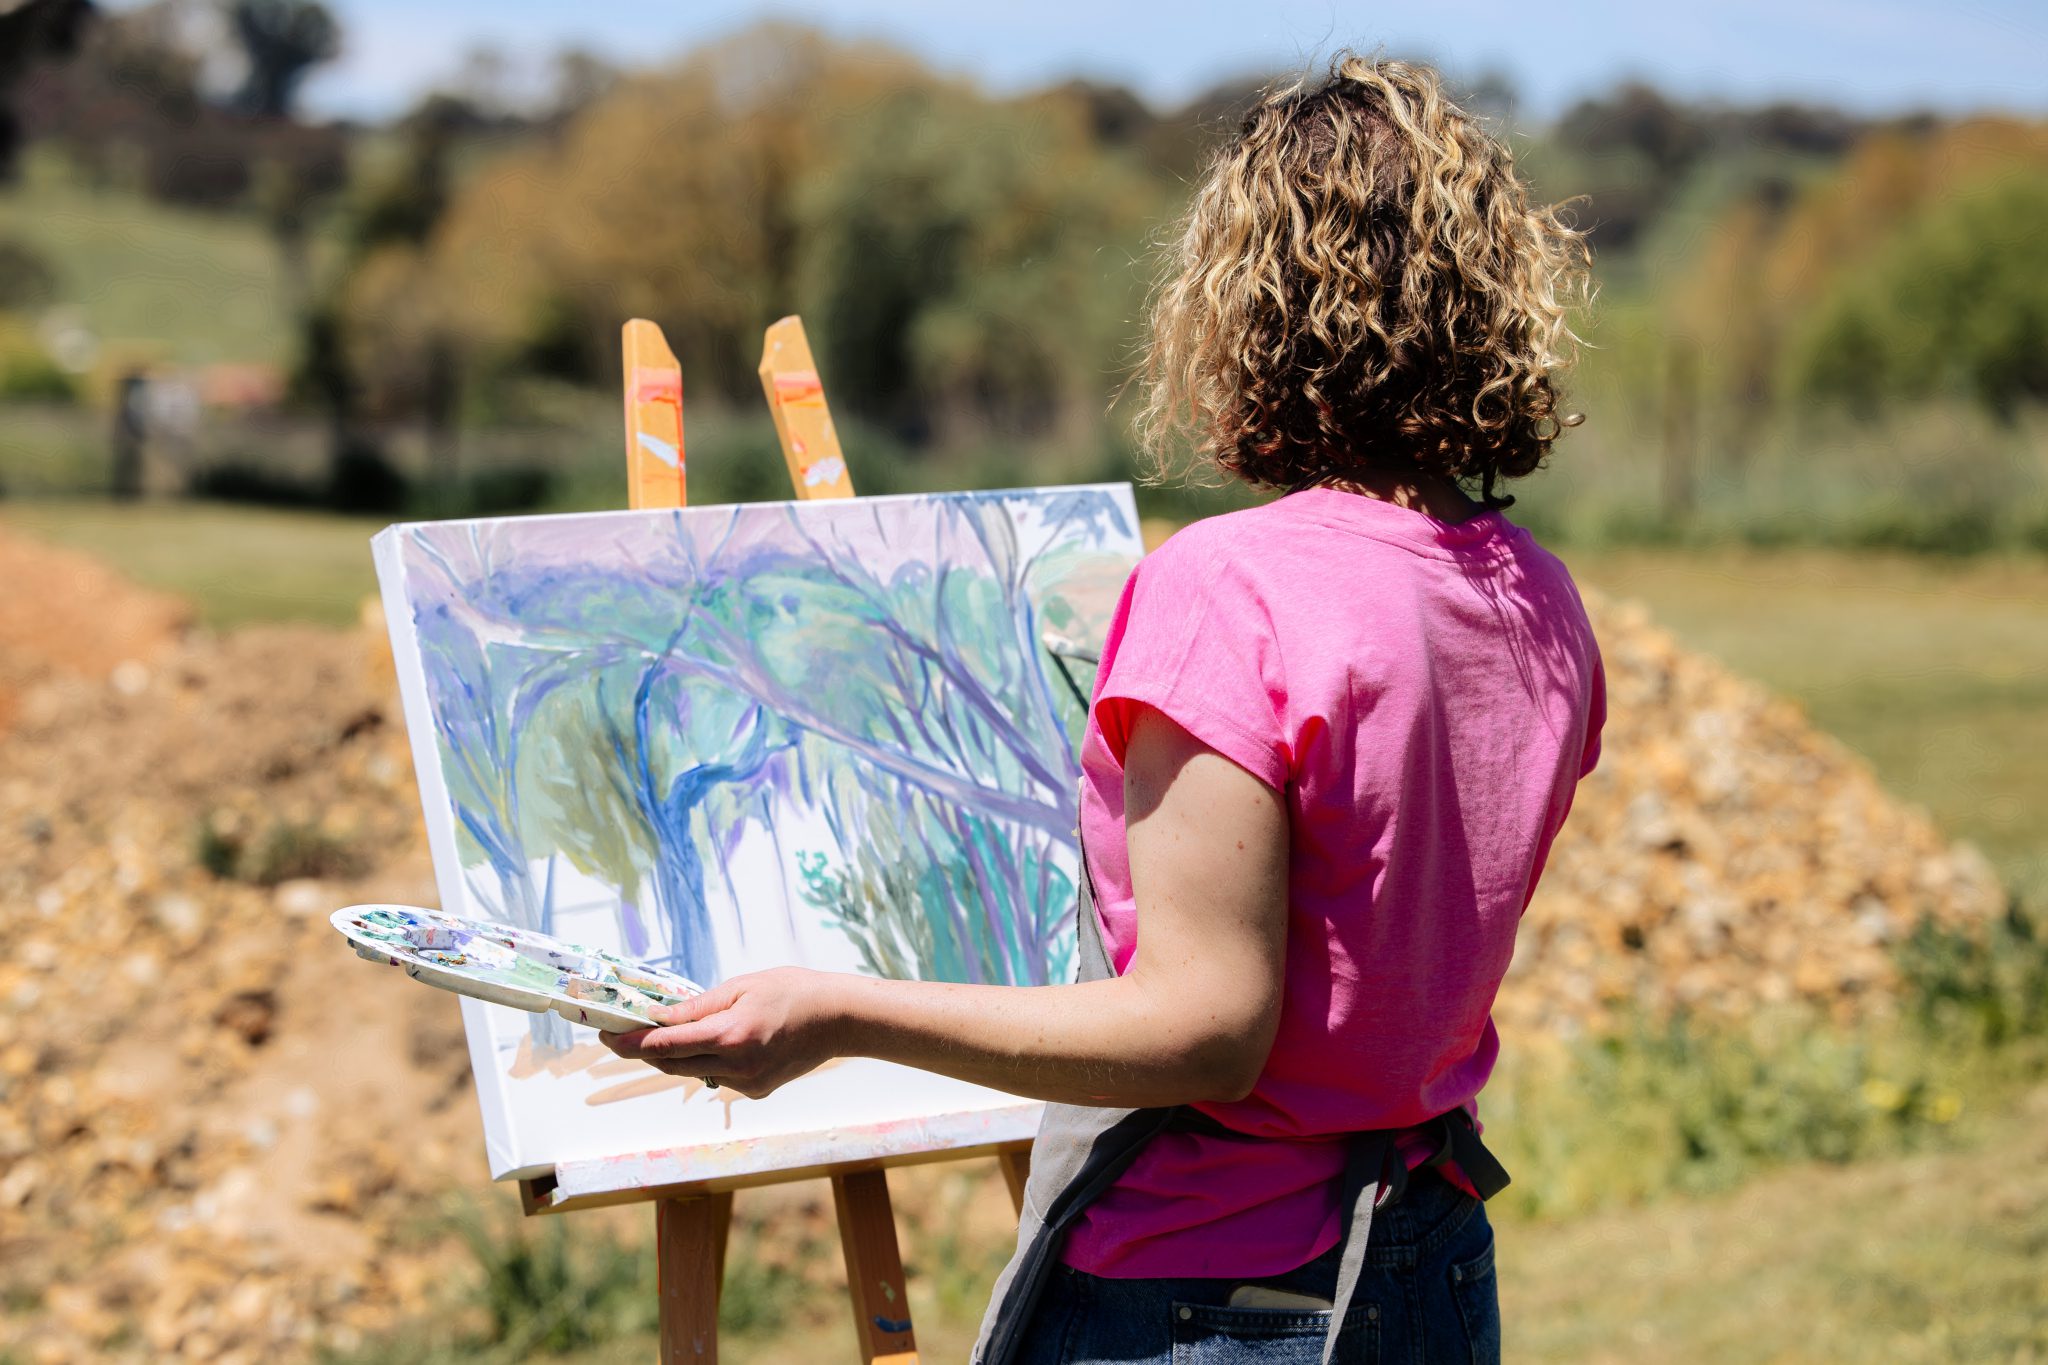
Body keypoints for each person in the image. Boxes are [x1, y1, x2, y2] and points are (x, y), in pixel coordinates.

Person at [604, 54, 1603, 1365]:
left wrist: (839, 1011)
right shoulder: (1535, 595)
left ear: (1245, 302)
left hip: (1209, 1291)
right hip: (1425, 1257)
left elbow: (1208, 1026)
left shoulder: (1229, 590)